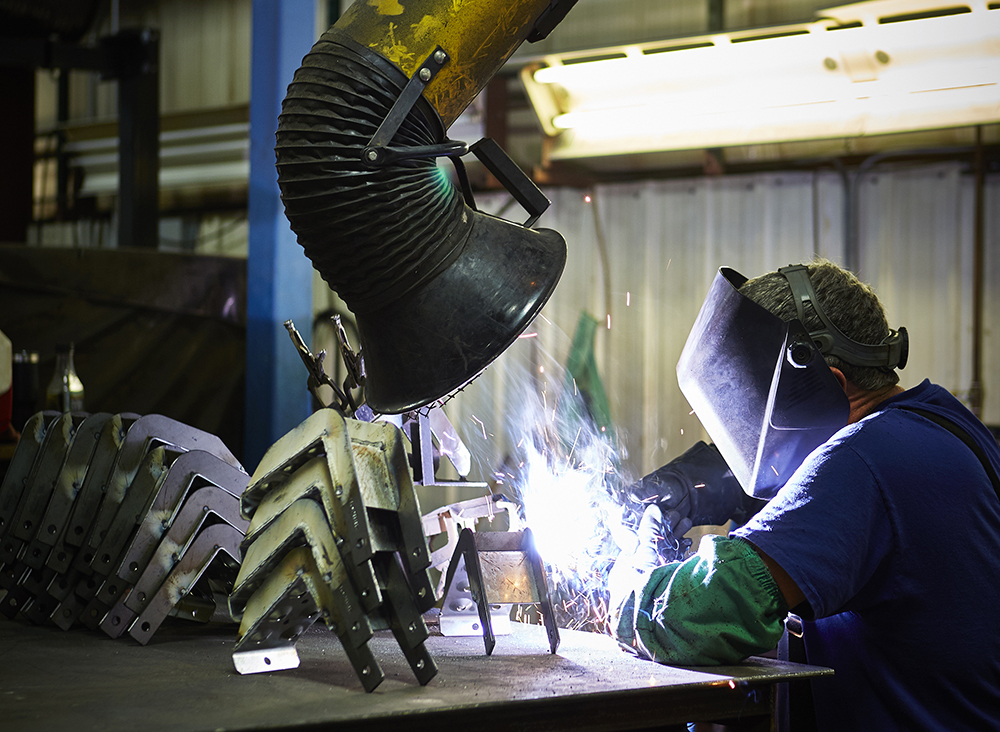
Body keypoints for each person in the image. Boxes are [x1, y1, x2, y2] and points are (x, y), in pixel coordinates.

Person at [610, 259, 1000, 731]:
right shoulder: (944, 425)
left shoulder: (861, 462)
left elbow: (686, 618)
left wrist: (636, 563)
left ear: (827, 384)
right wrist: (719, 485)